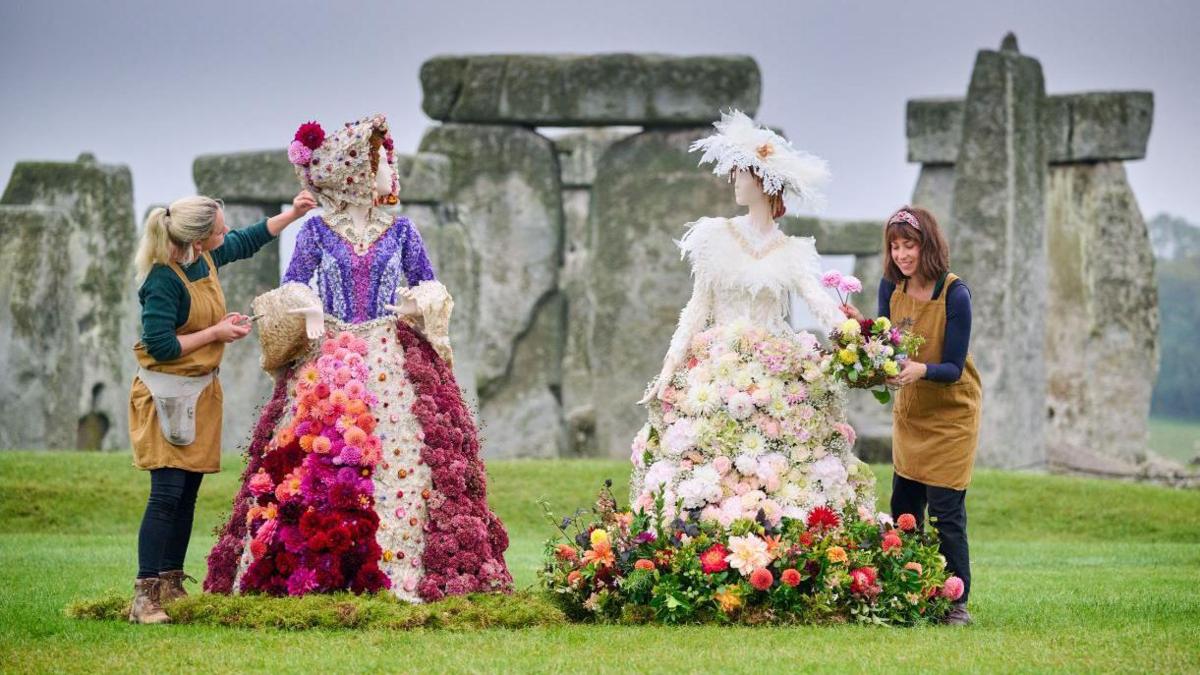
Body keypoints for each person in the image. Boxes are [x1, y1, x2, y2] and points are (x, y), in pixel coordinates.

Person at [205, 114, 511, 603]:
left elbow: (425, 279)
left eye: (388, 160)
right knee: (316, 450)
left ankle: (405, 566)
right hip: (332, 353)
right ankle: (317, 567)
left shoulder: (403, 229)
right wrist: (306, 303)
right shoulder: (318, 232)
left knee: (409, 450)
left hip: (392, 350)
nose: (391, 170)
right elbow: (295, 282)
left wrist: (422, 300)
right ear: (353, 173)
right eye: (381, 161)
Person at [631, 109, 875, 527]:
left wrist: (860, 341)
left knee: (784, 458)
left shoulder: (792, 251)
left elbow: (819, 302)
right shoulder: (715, 235)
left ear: (763, 183)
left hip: (776, 369)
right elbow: (697, 307)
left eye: (741, 175)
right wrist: (670, 365)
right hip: (717, 368)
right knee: (703, 457)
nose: (734, 182)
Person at [127, 190, 315, 623]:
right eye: (218, 229)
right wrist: (216, 332)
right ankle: (145, 595)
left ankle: (171, 585)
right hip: (166, 395)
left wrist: (293, 214)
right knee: (166, 495)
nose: (225, 233)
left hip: (199, 391)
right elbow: (160, 344)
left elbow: (246, 240)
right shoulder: (162, 279)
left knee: (187, 493)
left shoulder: (202, 259)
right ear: (196, 237)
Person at [841, 205, 983, 626]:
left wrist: (921, 368)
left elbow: (953, 367)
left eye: (910, 245)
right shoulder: (892, 286)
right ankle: (908, 591)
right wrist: (862, 329)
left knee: (946, 512)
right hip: (912, 412)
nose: (902, 254)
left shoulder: (955, 293)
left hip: (952, 413)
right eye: (895, 245)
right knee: (904, 507)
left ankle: (956, 601)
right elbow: (889, 347)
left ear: (928, 245)